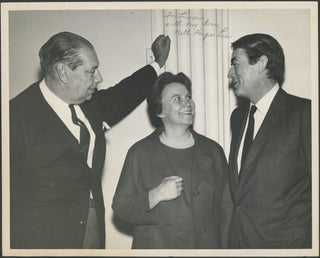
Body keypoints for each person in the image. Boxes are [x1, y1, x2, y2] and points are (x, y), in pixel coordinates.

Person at [10, 31, 170, 249]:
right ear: (63, 72)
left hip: (92, 231)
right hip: (41, 241)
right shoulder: (15, 117)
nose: (99, 78)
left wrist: (158, 63)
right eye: (91, 71)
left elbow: (126, 92)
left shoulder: (90, 105)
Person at [112, 72, 228, 249]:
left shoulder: (213, 151)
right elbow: (121, 207)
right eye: (177, 99)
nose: (187, 103)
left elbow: (227, 209)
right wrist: (156, 195)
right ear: (160, 111)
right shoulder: (140, 152)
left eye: (188, 97)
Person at [226, 33, 311, 248]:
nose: (230, 73)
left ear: (261, 64)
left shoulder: (304, 113)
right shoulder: (237, 118)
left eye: (236, 64)